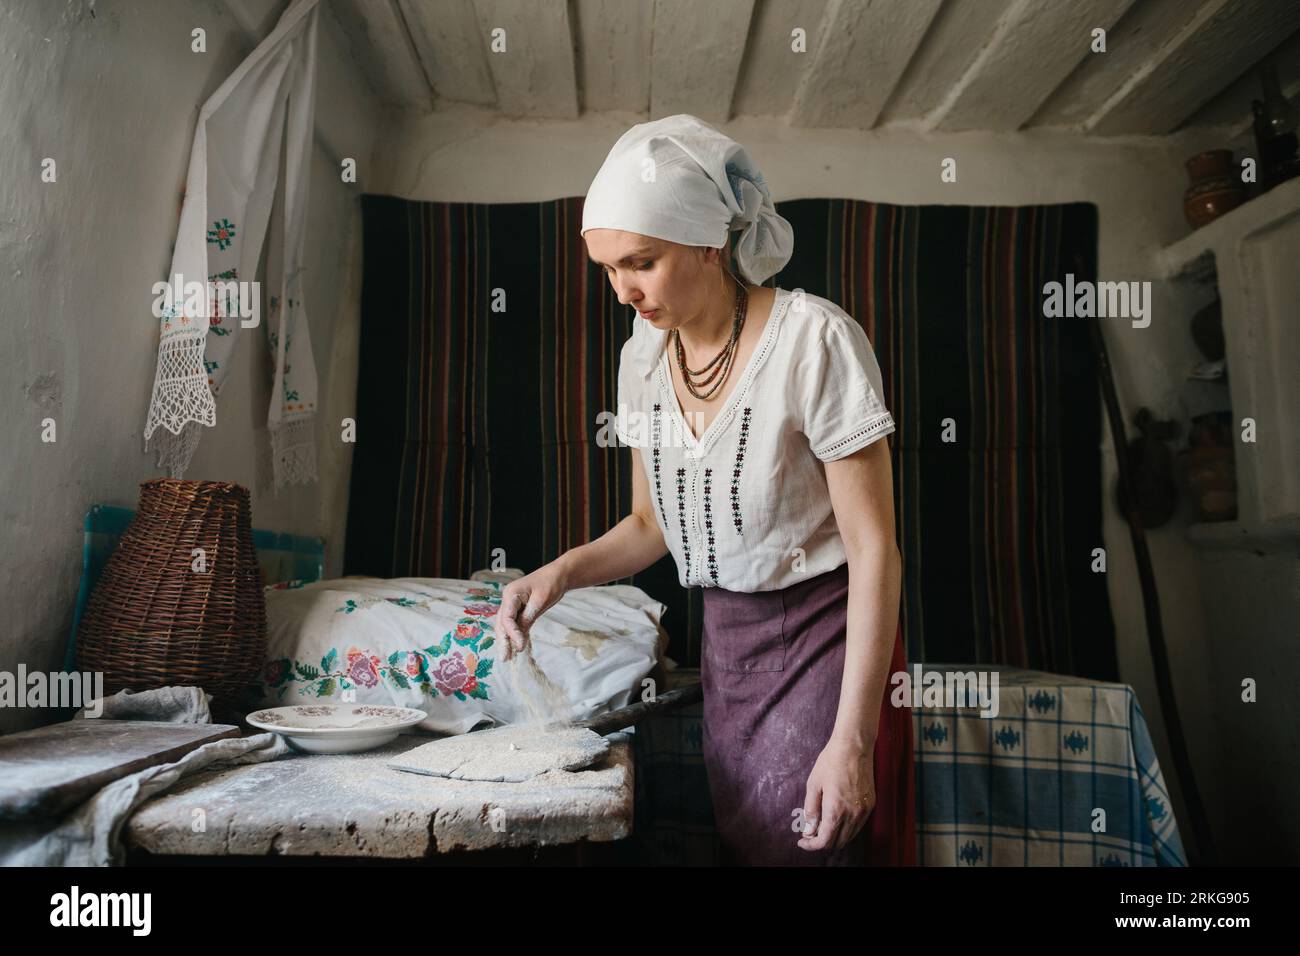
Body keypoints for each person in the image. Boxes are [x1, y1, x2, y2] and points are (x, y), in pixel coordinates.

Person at [494, 114, 915, 866]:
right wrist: (558, 573)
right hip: (727, 644)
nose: (624, 290)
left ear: (710, 243)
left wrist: (852, 740)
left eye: (641, 262)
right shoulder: (642, 364)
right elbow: (650, 526)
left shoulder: (814, 343)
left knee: (810, 850)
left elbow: (874, 548)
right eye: (608, 270)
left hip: (826, 637)